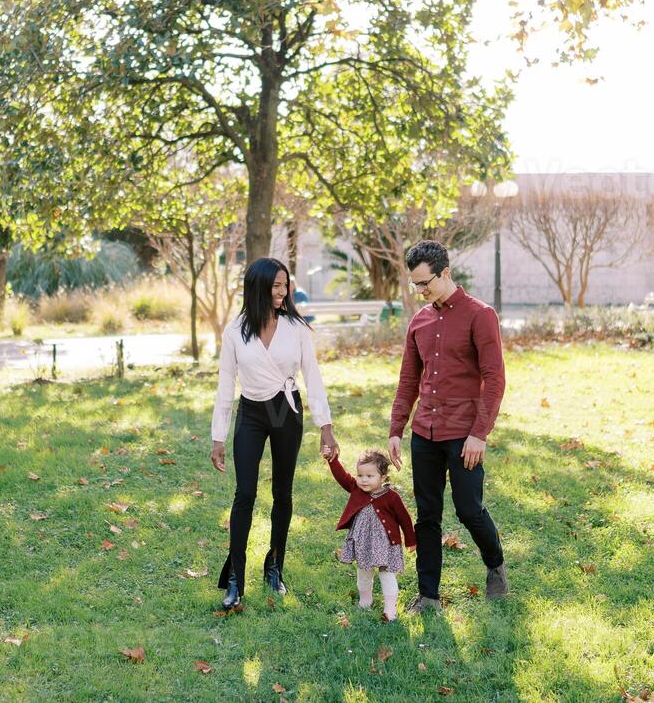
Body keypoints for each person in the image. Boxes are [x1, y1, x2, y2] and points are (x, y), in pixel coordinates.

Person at [210, 257, 339, 609]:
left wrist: (325, 428)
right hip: (251, 412)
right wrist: (218, 436)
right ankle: (235, 577)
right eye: (276, 286)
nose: (283, 292)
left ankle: (275, 565)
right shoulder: (236, 330)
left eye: (286, 285)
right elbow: (225, 383)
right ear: (258, 287)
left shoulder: (295, 328)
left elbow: (312, 376)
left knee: (283, 492)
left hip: (286, 410)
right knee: (245, 494)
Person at [388, 239, 507, 614]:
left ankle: (495, 565)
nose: (421, 291)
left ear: (446, 273)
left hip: (463, 433)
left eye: (426, 283)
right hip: (425, 432)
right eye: (415, 285)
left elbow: (495, 379)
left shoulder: (480, 315)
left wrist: (479, 434)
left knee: (469, 509)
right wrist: (396, 429)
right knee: (427, 515)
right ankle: (428, 596)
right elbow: (408, 381)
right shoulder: (419, 321)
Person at [324, 447, 416, 621]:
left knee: (387, 574)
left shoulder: (392, 497)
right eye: (360, 475)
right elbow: (341, 476)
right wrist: (332, 460)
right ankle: (365, 600)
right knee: (363, 573)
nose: (363, 480)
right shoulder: (356, 489)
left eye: (369, 476)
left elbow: (404, 519)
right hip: (363, 542)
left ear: (383, 477)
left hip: (386, 543)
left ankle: (390, 609)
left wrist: (411, 540)